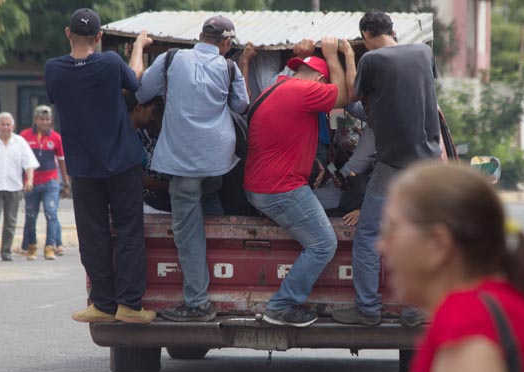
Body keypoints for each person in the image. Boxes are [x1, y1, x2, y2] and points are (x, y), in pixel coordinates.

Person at [379, 162, 524, 372]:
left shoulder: (467, 323)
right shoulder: (496, 304)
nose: (381, 245)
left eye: (392, 228)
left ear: (438, 243)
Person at [44, 8, 155, 324]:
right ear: (99, 36)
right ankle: (130, 305)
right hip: (122, 163)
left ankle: (103, 304)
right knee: (129, 232)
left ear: (68, 33)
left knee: (93, 235)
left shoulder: (53, 69)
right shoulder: (109, 62)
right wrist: (137, 48)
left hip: (83, 168)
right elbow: (135, 81)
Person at [332, 10, 441, 327]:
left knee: (368, 234)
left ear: (366, 35)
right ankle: (414, 311)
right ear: (393, 30)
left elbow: (353, 94)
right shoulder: (423, 52)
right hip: (427, 163)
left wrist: (349, 56)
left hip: (394, 164)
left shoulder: (371, 61)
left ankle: (367, 309)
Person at [136, 15, 249, 322]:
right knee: (212, 205)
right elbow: (241, 106)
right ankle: (229, 277)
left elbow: (143, 93)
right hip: (217, 160)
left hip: (182, 159)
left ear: (200, 35)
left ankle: (198, 301)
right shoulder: (229, 67)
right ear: (225, 44)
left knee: (188, 232)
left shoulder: (171, 58)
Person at [244, 37, 349, 327]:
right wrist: (334, 56)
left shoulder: (278, 87)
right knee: (324, 243)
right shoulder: (305, 90)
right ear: (318, 80)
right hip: (280, 189)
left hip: (265, 184)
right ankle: (282, 305)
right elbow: (342, 94)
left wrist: (310, 162)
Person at [0, 112, 39, 261]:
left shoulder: (20, 142)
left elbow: (29, 164)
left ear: (13, 126)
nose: (6, 127)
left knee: (10, 221)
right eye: (3, 124)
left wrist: (29, 180)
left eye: (8, 124)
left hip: (14, 187)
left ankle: (6, 251)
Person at [18, 105, 70, 260]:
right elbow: (20, 160)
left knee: (51, 212)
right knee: (31, 215)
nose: (44, 122)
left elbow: (61, 161)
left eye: (47, 119)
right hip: (31, 182)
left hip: (51, 181)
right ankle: (32, 246)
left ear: (51, 120)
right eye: (41, 119)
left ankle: (50, 246)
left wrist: (65, 183)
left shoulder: (56, 138)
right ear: (35, 119)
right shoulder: (24, 136)